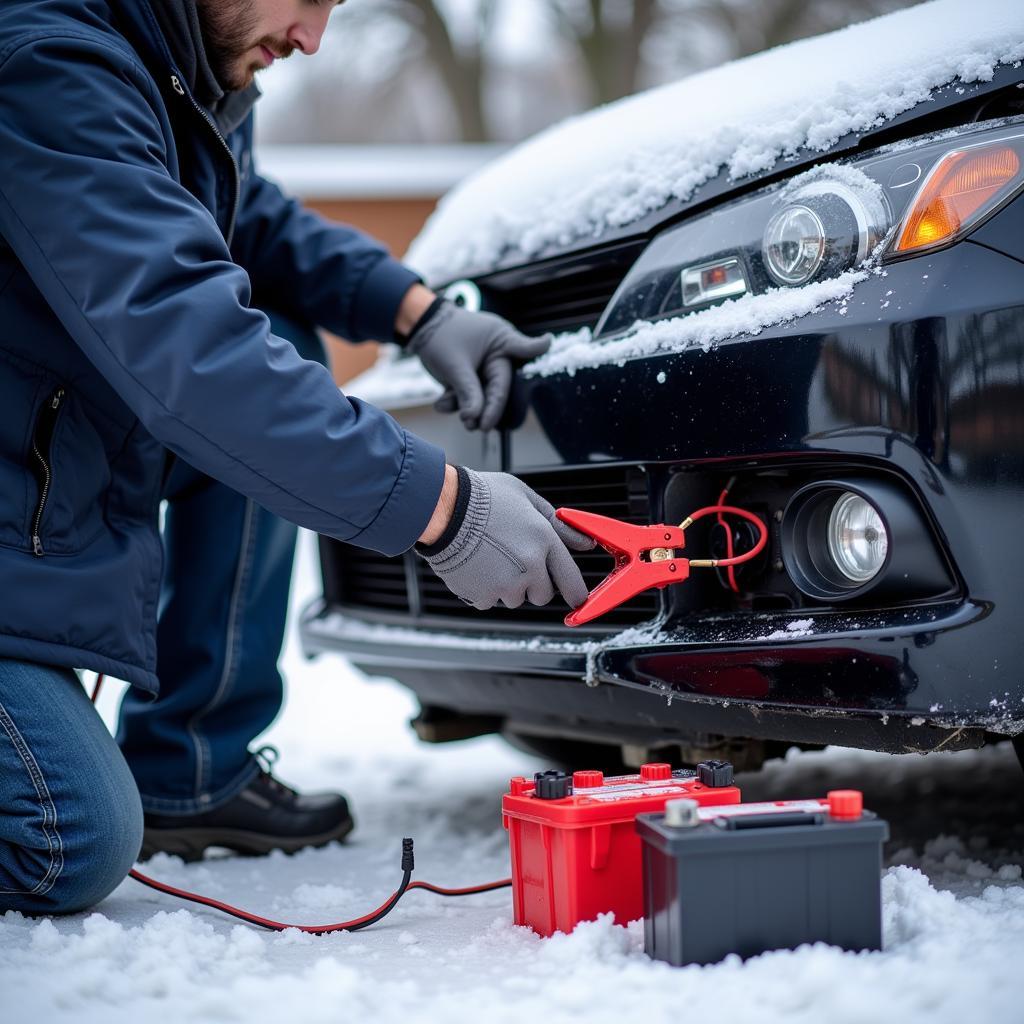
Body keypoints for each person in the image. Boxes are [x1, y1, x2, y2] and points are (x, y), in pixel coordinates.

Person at [0, 0, 594, 916]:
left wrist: (418, 311)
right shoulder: (48, 67)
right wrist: (446, 510)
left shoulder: (179, 68)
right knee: (63, 837)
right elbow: (187, 343)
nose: (315, 37)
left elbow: (253, 220)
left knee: (287, 339)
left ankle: (190, 772)